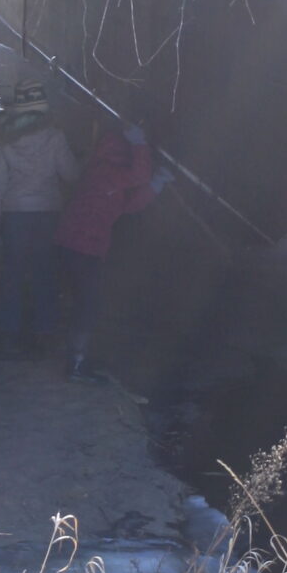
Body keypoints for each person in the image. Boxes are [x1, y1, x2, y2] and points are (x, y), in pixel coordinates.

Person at [56, 115, 166, 380]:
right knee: (88, 304)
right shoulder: (106, 173)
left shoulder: (103, 175)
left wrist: (156, 186)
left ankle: (77, 356)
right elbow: (138, 175)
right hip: (82, 247)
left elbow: (126, 205)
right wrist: (141, 147)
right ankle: (75, 363)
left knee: (86, 302)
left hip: (80, 246)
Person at [0, 84, 77, 356]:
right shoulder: (56, 138)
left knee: (11, 275)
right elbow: (70, 175)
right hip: (48, 213)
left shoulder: (4, 142)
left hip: (14, 216)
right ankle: (43, 330)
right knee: (44, 274)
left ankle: (8, 333)